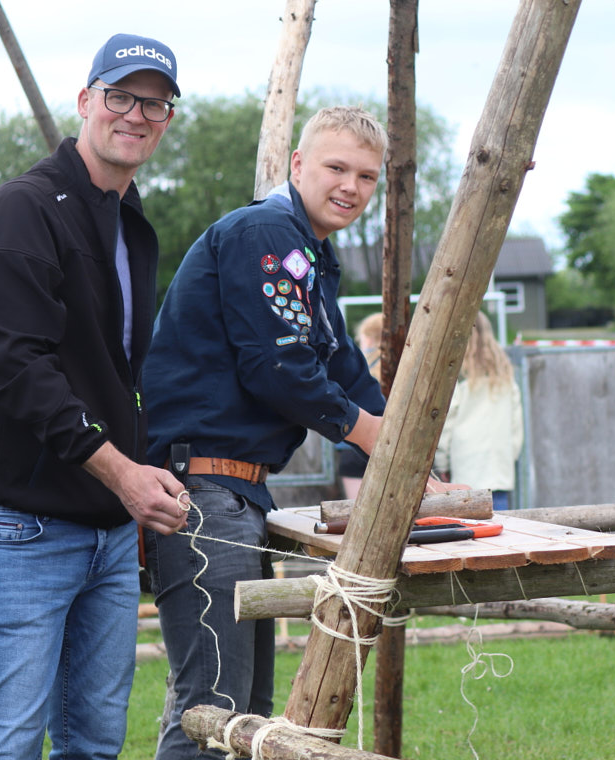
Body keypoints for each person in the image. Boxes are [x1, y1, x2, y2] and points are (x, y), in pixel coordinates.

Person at [141, 105, 455, 759]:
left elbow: (341, 366)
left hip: (237, 492)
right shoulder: (267, 234)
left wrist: (413, 462)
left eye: (366, 177)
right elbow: (278, 367)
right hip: (202, 493)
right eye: (337, 168)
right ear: (298, 164)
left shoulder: (309, 254)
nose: (351, 187)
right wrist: (369, 435)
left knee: (244, 714)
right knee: (212, 712)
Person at [0, 33, 188, 760]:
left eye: (155, 104)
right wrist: (123, 473)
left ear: (167, 120)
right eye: (121, 96)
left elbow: (116, 377)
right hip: (19, 525)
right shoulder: (25, 209)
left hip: (107, 529)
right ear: (86, 101)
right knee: (9, 744)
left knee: (92, 743)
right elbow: (17, 367)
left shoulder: (129, 221)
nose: (136, 115)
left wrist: (139, 472)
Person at [434, 311, 524, 510]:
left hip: (466, 473)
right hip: (499, 472)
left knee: (468, 526)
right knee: (502, 523)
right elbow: (516, 430)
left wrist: (442, 464)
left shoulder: (457, 377)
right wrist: (508, 458)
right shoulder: (506, 378)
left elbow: (446, 426)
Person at [338, 311, 384, 499]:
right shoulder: (406, 367)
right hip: (391, 446)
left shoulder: (358, 370)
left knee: (355, 509)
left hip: (354, 448)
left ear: (370, 339)